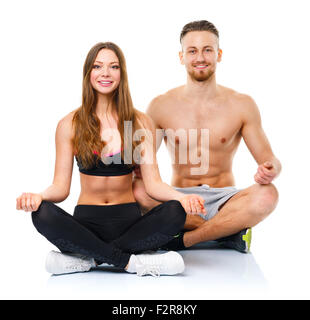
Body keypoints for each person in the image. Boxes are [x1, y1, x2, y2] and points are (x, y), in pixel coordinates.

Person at [16, 42, 206, 277]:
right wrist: (39, 197)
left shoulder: (140, 122)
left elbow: (154, 184)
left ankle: (89, 259)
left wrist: (182, 198)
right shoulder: (70, 124)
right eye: (98, 66)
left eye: (113, 67)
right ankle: (132, 263)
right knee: (42, 213)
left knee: (176, 212)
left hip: (129, 225)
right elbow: (60, 188)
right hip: (85, 225)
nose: (105, 73)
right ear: (88, 73)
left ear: (121, 74)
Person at [133, 20, 281, 253]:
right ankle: (225, 233)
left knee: (268, 195)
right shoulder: (160, 105)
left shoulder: (242, 104)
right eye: (192, 51)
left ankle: (186, 239)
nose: (200, 57)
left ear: (218, 54)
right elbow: (139, 159)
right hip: (179, 198)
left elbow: (270, 161)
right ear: (181, 57)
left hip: (225, 200)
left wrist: (270, 169)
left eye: (207, 50)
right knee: (136, 190)